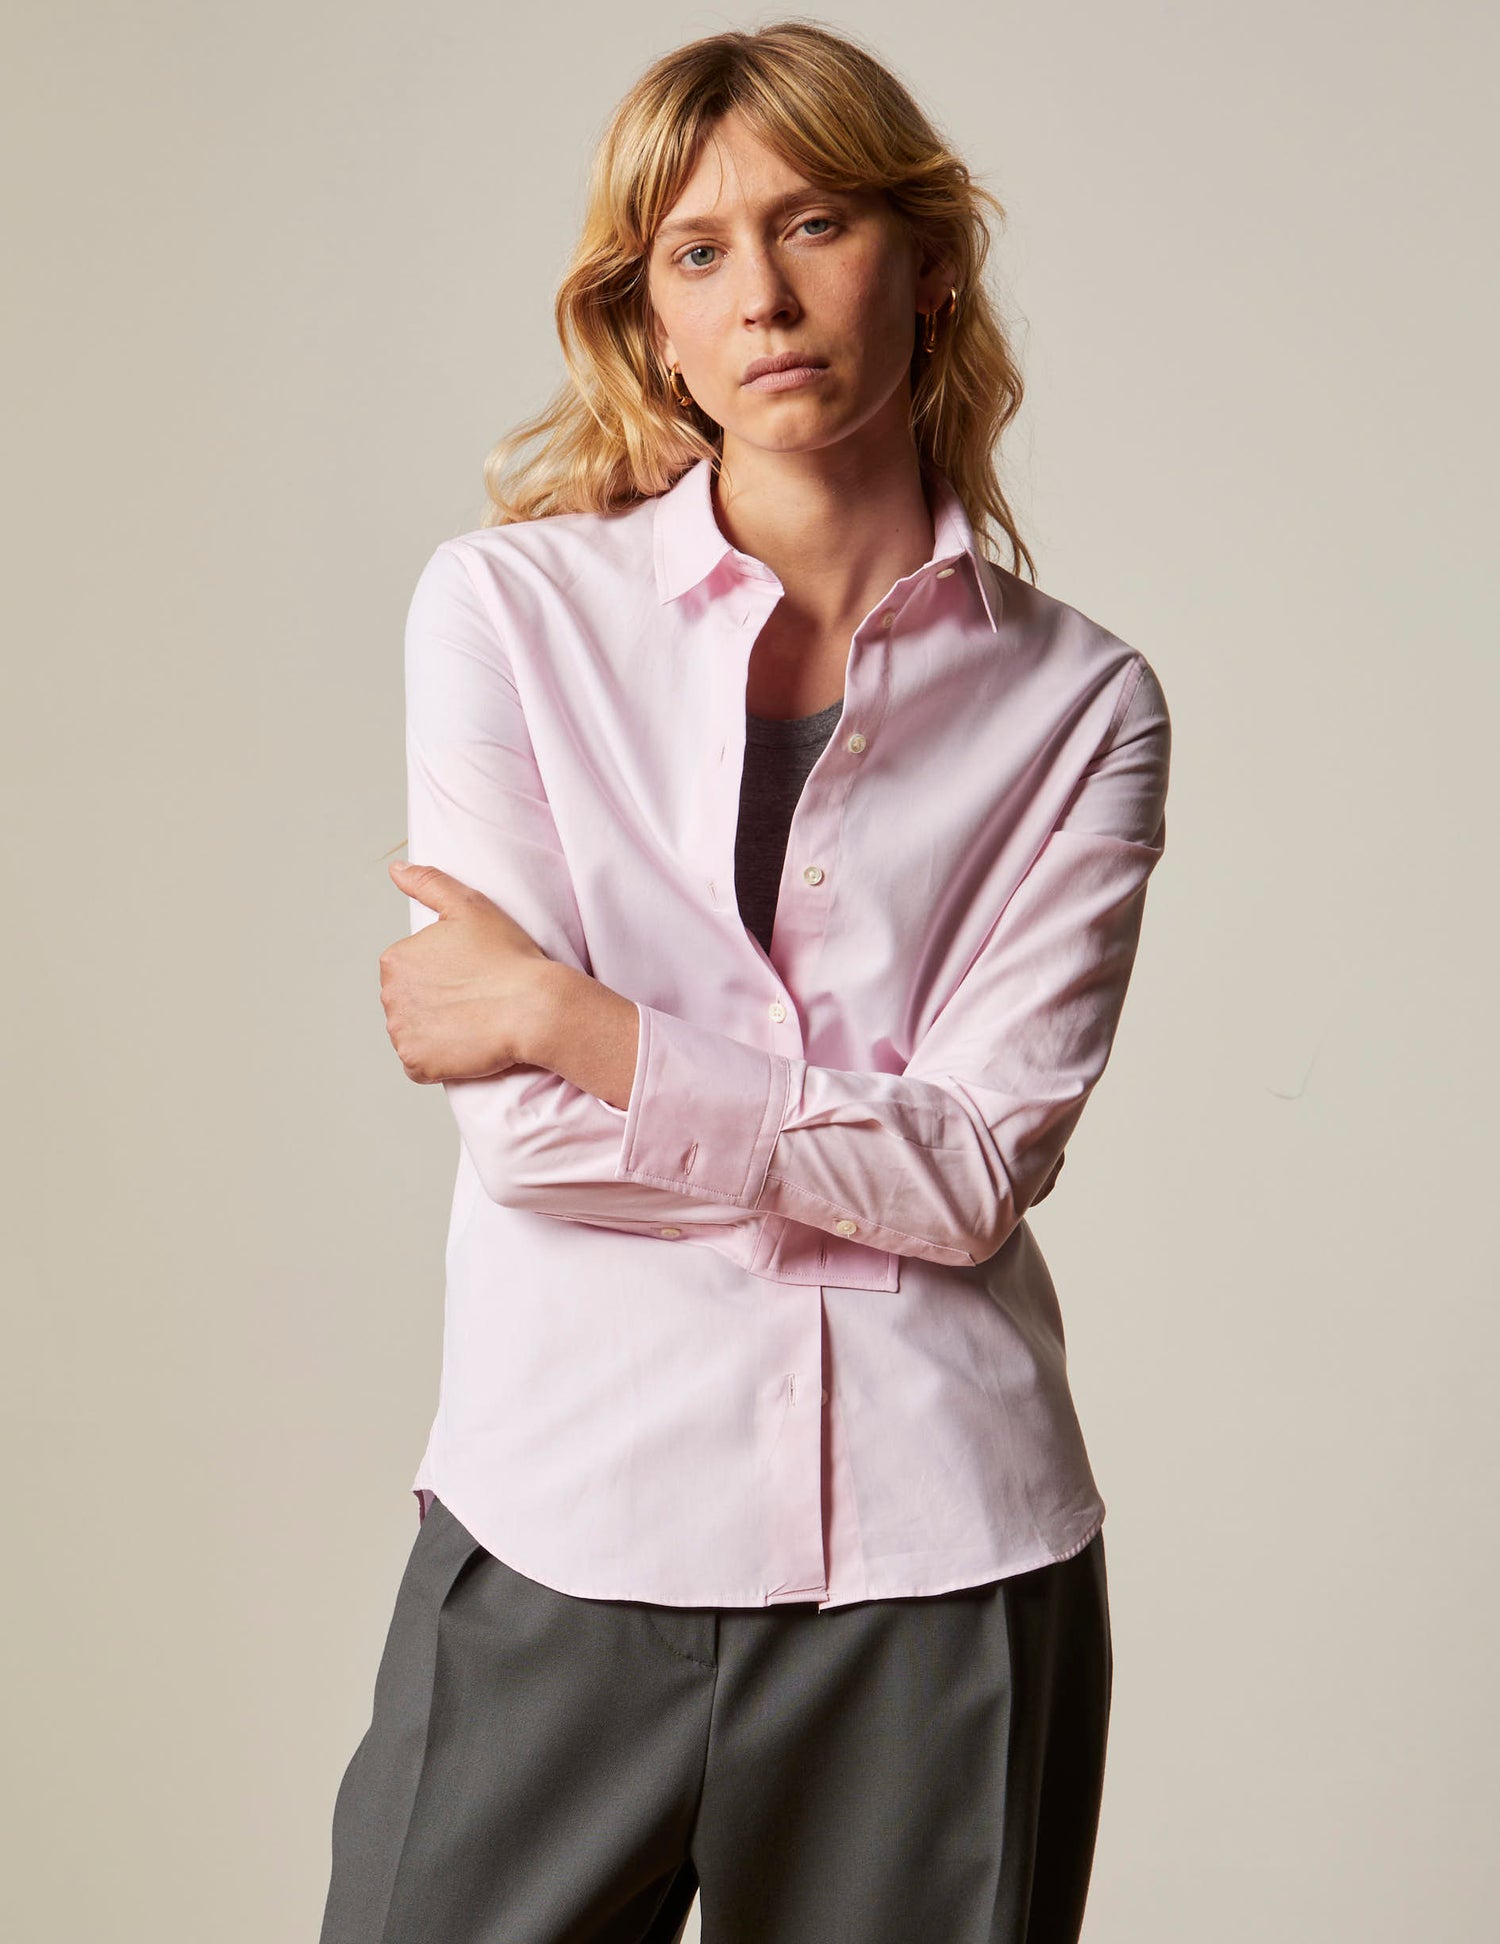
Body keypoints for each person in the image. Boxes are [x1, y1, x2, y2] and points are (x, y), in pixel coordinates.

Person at [319, 20, 1171, 1944]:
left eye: (815, 223)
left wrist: (575, 1017)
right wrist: (844, 1148)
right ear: (655, 324)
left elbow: (974, 1175)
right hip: (561, 1521)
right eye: (697, 252)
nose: (763, 296)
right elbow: (534, 1146)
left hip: (943, 1566)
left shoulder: (1083, 705)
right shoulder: (508, 613)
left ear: (927, 260)